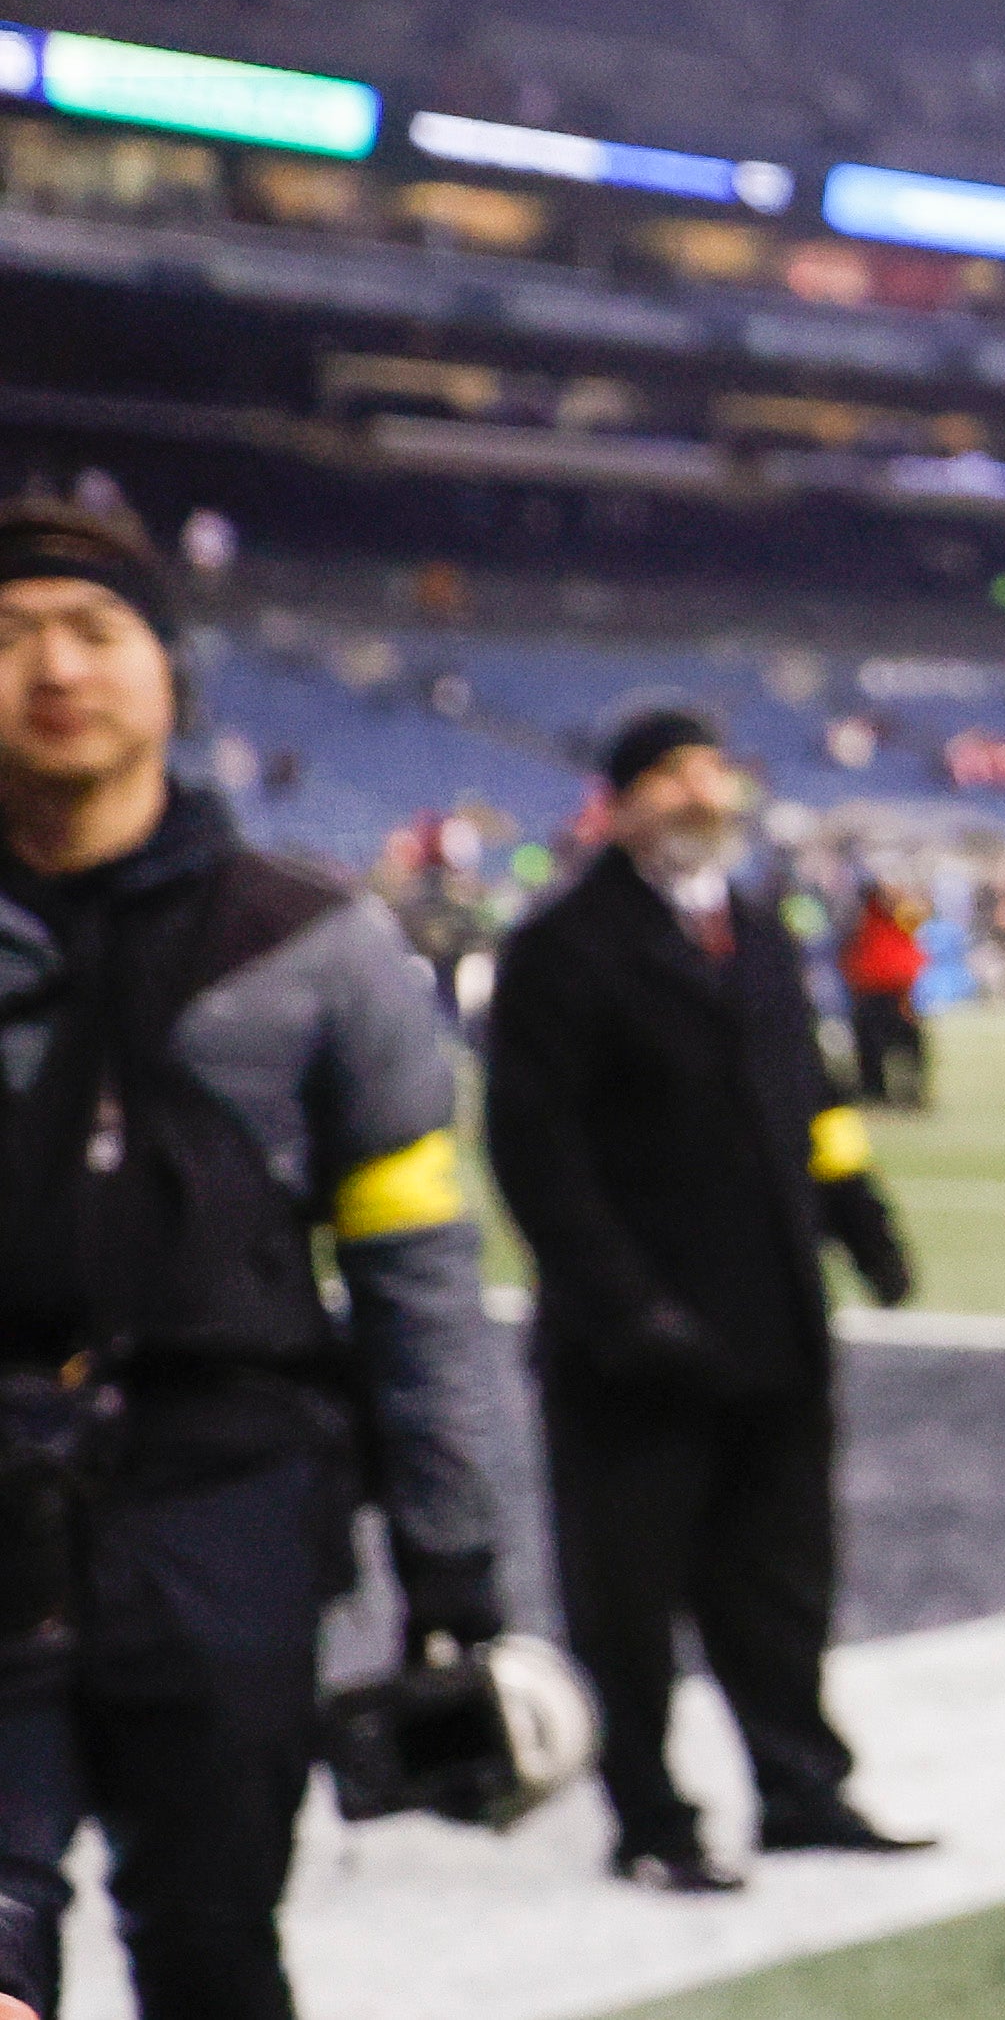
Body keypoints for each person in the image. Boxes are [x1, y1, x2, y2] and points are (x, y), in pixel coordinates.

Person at [0, 498, 518, 2020]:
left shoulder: (320, 943)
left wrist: (452, 1550)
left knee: (217, 1945)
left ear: (167, 669)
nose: (53, 666)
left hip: (228, 1500)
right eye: (10, 633)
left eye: (94, 630)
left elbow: (417, 1269)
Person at [481, 706, 927, 1895]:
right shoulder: (561, 945)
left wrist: (861, 1222)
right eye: (669, 773)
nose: (696, 790)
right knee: (627, 1596)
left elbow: (813, 1096)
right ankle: (651, 1815)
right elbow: (536, 1154)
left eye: (708, 768)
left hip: (773, 1315)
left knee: (779, 1575)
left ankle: (800, 1785)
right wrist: (624, 1307)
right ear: (620, 802)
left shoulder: (761, 929)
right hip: (632, 1345)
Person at [832, 877, 928, 1113]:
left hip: (897, 991)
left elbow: (917, 921)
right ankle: (875, 1092)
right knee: (871, 1045)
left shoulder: (901, 915)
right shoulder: (863, 916)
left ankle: (911, 1092)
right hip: (869, 990)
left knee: (909, 1044)